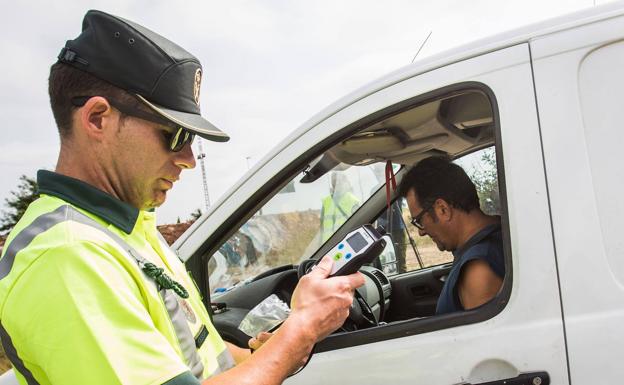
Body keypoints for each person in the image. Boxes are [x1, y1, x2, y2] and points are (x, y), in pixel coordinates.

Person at [0, 10, 364, 385]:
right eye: (174, 135)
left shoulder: (128, 228)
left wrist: (266, 352)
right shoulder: (66, 256)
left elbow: (198, 356)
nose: (188, 159)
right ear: (97, 119)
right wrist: (299, 330)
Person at [397, 156, 504, 315]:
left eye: (419, 220)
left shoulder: (478, 271)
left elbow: (482, 339)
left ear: (443, 209)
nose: (421, 231)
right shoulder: (499, 233)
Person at [320, 172, 360, 242]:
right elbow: (321, 228)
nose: (336, 182)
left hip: (345, 242)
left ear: (344, 182)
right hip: (327, 245)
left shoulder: (352, 201)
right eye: (334, 180)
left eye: (338, 180)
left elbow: (359, 223)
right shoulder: (326, 201)